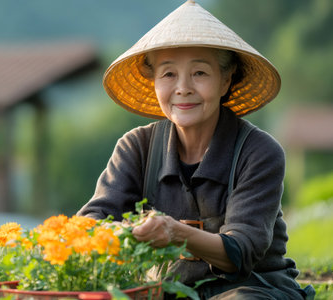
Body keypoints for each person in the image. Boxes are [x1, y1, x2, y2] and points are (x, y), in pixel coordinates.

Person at [77, 1, 315, 299]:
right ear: (154, 82)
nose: (183, 88)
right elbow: (92, 221)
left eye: (200, 73)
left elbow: (240, 251)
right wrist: (124, 232)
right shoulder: (136, 147)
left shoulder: (259, 151)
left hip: (252, 288)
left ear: (226, 80)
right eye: (168, 75)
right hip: (168, 292)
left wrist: (176, 233)